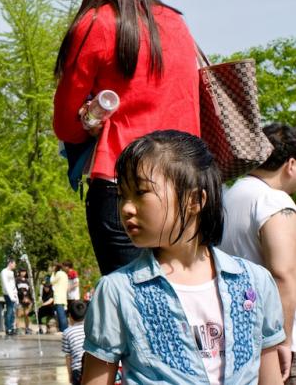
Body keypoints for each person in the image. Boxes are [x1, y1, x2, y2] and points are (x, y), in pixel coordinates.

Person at [53, 0, 202, 276]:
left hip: (125, 183)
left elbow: (65, 126)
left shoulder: (96, 23)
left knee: (131, 309)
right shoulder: (177, 23)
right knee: (184, 302)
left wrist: (90, 120)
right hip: (186, 185)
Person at [82, 130, 285, 384]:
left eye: (141, 192)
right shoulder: (117, 291)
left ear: (194, 200)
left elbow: (270, 378)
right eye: (123, 195)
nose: (126, 207)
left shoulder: (255, 282)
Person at [219, 123, 296, 382]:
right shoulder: (274, 200)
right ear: (291, 164)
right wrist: (282, 343)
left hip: (238, 336)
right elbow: (283, 273)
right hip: (276, 345)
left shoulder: (229, 196)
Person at [62, 300, 88, 385]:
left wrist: (70, 374)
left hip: (77, 370)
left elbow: (68, 357)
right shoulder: (90, 329)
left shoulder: (67, 333)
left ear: (70, 316)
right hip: (90, 366)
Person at [0, 258, 17, 336]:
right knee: (9, 310)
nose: (15, 265)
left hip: (13, 294)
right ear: (10, 263)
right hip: (7, 294)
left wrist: (15, 294)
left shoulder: (11, 273)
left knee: (12, 311)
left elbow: (13, 284)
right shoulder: (4, 272)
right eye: (14, 263)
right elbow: (6, 284)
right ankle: (8, 328)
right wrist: (11, 296)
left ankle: (11, 327)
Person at [50, 263, 69, 332]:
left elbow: (52, 281)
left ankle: (64, 330)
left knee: (61, 315)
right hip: (63, 296)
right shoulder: (65, 274)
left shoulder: (58, 274)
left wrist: (52, 273)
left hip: (58, 297)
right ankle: (65, 329)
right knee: (63, 314)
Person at [15, 269, 33, 334]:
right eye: (22, 271)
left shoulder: (27, 281)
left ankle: (27, 328)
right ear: (19, 272)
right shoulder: (17, 280)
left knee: (26, 314)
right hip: (20, 300)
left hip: (27, 300)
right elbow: (17, 290)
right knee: (19, 314)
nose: (23, 273)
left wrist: (29, 299)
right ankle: (18, 328)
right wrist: (22, 297)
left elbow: (29, 291)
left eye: (24, 272)